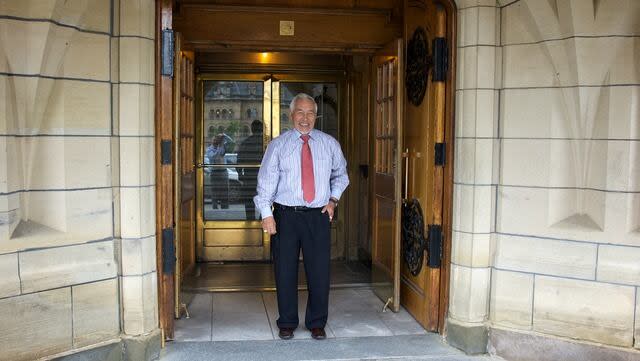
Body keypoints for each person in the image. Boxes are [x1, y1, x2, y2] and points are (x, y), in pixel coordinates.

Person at [254, 93, 349, 340]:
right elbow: (265, 183)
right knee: (284, 270)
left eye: (310, 113)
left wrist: (333, 200)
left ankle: (317, 322)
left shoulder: (329, 144)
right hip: (285, 216)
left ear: (315, 116)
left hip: (318, 216)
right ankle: (287, 321)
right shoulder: (278, 145)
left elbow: (341, 175)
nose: (305, 118)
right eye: (300, 112)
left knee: (319, 271)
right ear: (291, 115)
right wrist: (267, 215)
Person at [237, 120, 263, 220]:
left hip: (249, 177)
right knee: (266, 201)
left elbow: (239, 160)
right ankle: (262, 220)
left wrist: (240, 174)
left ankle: (250, 221)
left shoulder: (246, 142)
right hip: (264, 178)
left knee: (249, 202)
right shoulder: (266, 143)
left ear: (252, 129)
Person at [205, 134, 229, 209]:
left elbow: (232, 142)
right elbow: (214, 156)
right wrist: (219, 146)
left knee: (225, 191)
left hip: (223, 171)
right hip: (214, 172)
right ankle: (215, 208)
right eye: (214, 139)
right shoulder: (209, 149)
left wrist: (224, 135)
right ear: (212, 141)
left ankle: (224, 207)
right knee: (215, 191)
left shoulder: (222, 147)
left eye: (217, 139)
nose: (216, 140)